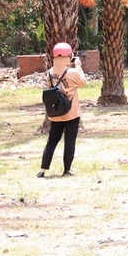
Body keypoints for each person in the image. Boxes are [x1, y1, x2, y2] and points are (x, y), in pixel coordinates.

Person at [37, 42, 87, 178]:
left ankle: (42, 169)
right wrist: (78, 66)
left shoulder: (49, 72)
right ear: (67, 56)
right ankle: (67, 169)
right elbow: (83, 83)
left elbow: (50, 88)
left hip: (56, 113)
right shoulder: (71, 72)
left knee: (52, 140)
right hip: (71, 113)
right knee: (69, 141)